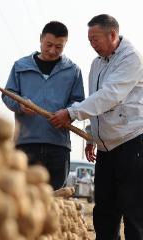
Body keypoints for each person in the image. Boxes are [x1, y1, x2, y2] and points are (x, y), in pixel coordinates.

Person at [50, 14, 143, 239]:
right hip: (105, 149)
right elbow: (96, 100)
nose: (92, 44)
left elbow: (110, 95)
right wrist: (92, 135)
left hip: (131, 143)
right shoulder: (96, 64)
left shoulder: (131, 58)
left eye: (96, 39)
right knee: (104, 211)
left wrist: (72, 113)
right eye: (89, 40)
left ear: (112, 34)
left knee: (134, 211)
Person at [2, 21, 85, 190]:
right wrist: (19, 104)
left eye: (59, 47)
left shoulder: (73, 71)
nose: (53, 51)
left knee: (54, 199)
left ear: (65, 44)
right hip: (25, 144)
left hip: (58, 146)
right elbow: (7, 94)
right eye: (49, 45)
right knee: (22, 195)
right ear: (40, 39)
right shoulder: (20, 66)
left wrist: (68, 113)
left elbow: (78, 102)